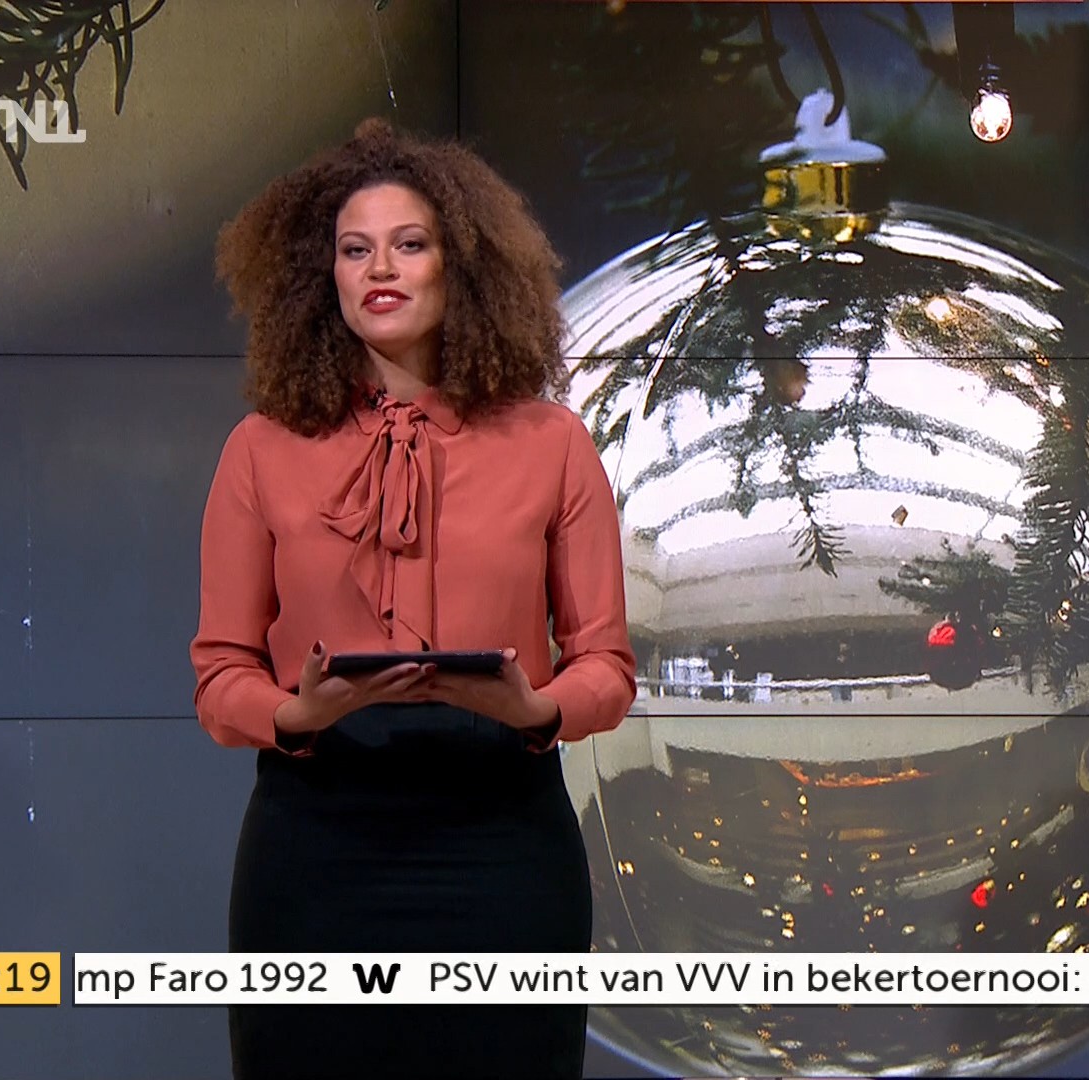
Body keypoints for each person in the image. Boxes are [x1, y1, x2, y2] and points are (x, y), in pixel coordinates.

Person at [190, 118, 636, 1080]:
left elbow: (606, 665)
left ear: (461, 267)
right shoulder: (259, 451)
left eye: (409, 244)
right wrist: (294, 713)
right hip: (314, 840)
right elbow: (219, 676)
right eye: (355, 250)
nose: (380, 269)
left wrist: (537, 709)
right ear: (324, 278)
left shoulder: (554, 444)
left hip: (503, 840)